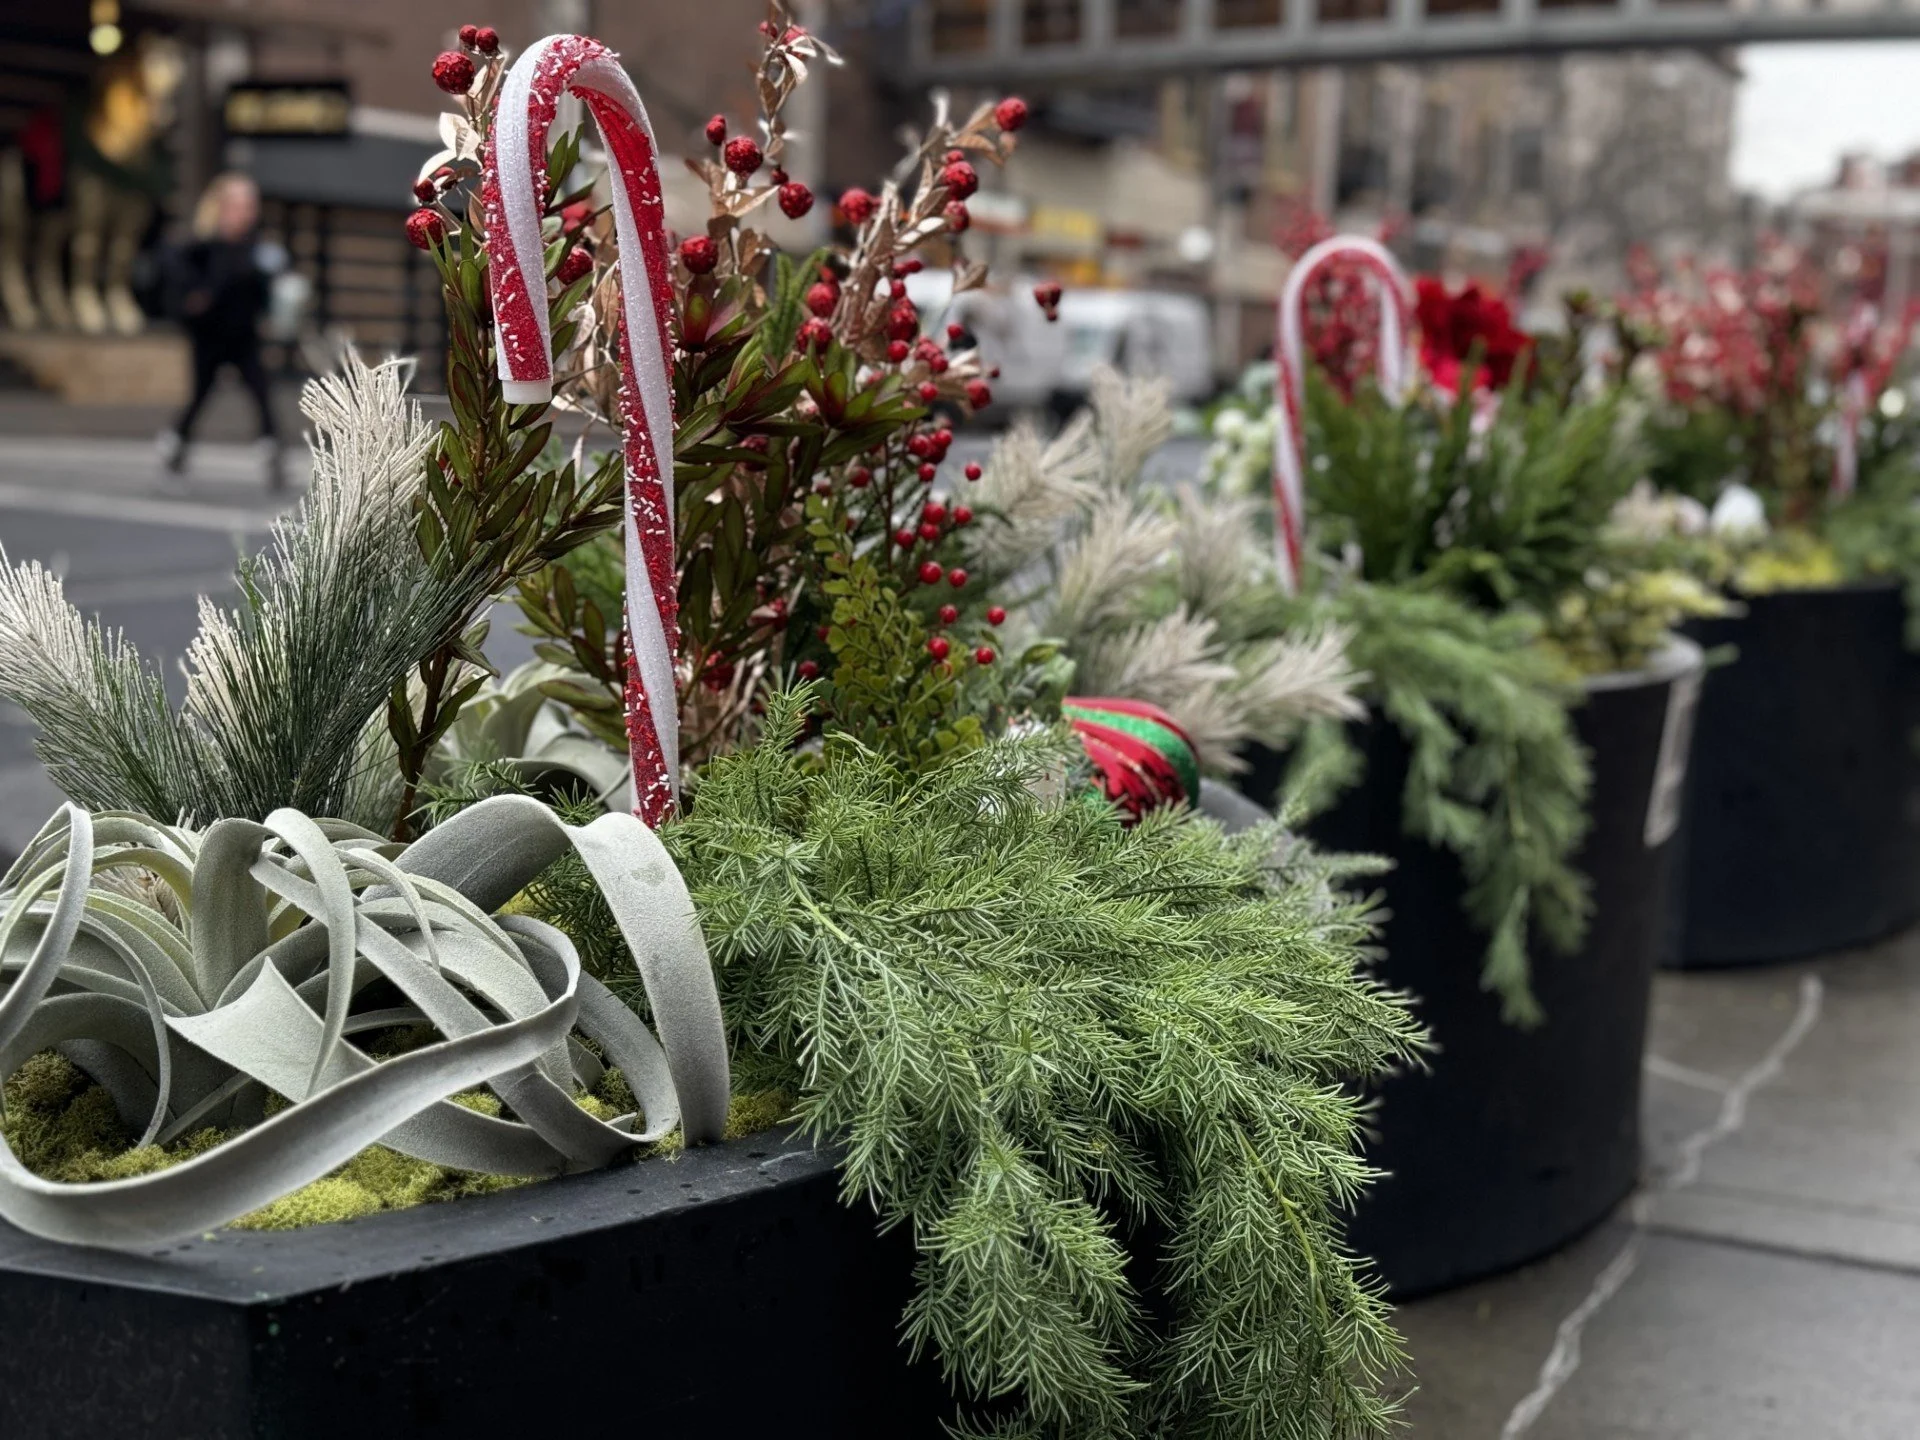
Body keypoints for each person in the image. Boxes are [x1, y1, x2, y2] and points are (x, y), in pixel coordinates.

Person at [157, 173, 284, 489]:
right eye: (240, 205)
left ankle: (271, 451)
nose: (247, 213)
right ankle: (176, 443)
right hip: (210, 337)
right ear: (223, 207)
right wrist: (194, 304)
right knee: (201, 393)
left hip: (244, 337)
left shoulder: (256, 251)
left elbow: (263, 295)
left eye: (250, 206)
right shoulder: (200, 249)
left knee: (261, 392)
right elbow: (182, 292)